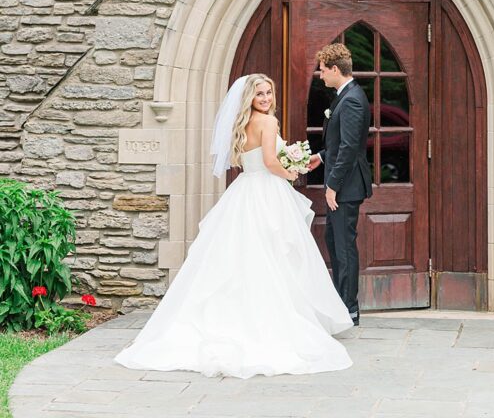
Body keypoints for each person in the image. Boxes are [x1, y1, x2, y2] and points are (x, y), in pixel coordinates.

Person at [114, 73, 354, 379]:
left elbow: (244, 161)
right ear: (250, 99)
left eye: (268, 92)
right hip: (267, 191)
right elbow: (269, 161)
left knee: (243, 256)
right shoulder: (268, 123)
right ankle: (271, 321)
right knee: (272, 254)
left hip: (244, 191)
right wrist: (290, 172)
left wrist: (284, 163)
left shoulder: (240, 124)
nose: (266, 98)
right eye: (260, 95)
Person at [307, 43, 372, 326]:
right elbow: (339, 143)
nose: (320, 76)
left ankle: (349, 308)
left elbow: (349, 147)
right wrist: (321, 157)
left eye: (322, 71)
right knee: (335, 243)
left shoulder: (353, 99)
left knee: (344, 247)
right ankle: (341, 304)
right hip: (339, 182)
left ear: (335, 70)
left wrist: (332, 185)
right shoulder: (343, 96)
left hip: (346, 186)